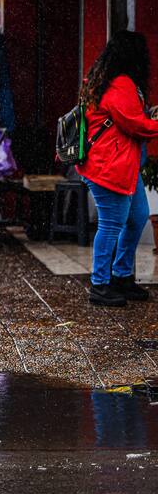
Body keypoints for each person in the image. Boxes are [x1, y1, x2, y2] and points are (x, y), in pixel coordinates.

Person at [77, 30, 158, 307]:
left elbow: (131, 117)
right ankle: (100, 284)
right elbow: (134, 124)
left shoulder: (109, 80)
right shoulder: (121, 83)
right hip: (109, 167)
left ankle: (121, 275)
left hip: (122, 165)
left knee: (138, 217)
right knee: (111, 224)